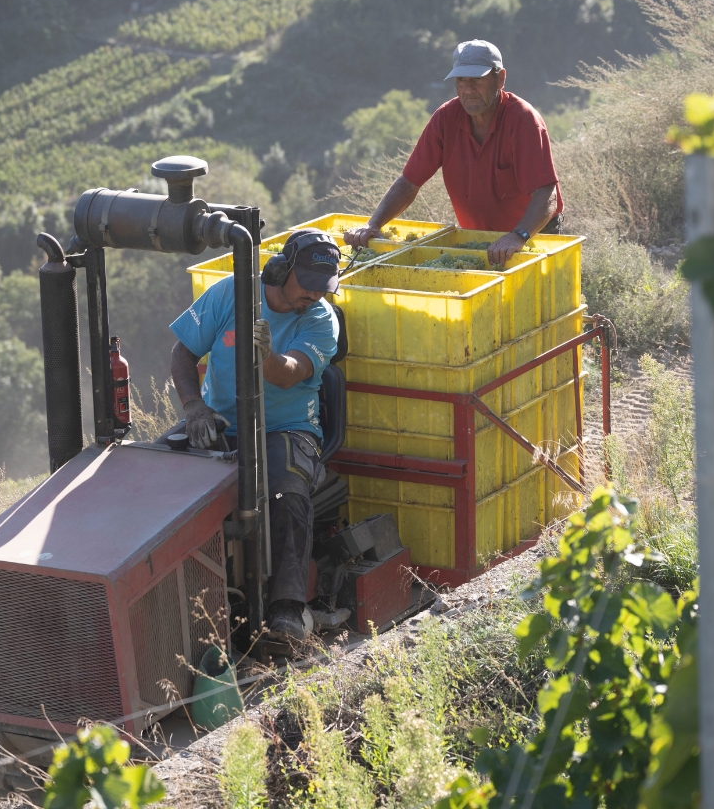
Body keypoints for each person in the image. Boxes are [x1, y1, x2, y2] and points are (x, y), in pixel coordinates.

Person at [168, 228, 341, 641]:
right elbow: (183, 352)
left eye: (324, 286)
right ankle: (180, 604)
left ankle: (286, 610)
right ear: (280, 269)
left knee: (286, 491)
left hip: (287, 429)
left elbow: (289, 374)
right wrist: (194, 407)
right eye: (309, 283)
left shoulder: (321, 319)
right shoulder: (229, 293)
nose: (315, 294)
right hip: (220, 422)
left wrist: (265, 356)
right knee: (163, 478)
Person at [343, 39, 563, 266]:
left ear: (500, 79)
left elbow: (547, 194)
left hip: (531, 236)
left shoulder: (523, 121)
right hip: (479, 241)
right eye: (461, 80)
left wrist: (519, 236)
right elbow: (409, 183)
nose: (468, 89)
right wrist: (373, 224)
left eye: (478, 79)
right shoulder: (445, 119)